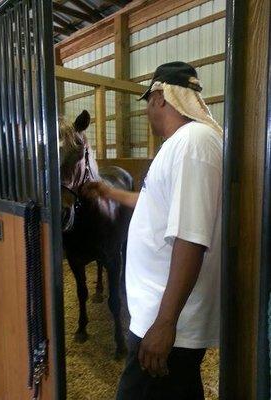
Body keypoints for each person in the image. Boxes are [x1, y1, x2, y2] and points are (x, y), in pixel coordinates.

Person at [83, 61, 223, 399]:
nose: (147, 110)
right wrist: (108, 191)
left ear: (160, 97)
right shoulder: (182, 145)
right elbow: (152, 205)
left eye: (148, 101)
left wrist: (164, 325)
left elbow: (191, 239)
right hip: (163, 317)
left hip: (167, 323)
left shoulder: (193, 145)